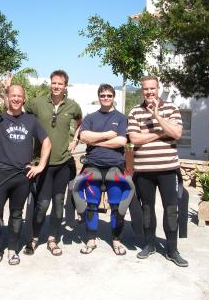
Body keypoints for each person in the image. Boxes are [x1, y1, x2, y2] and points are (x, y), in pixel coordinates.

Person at [0, 85, 51, 266]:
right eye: (13, 95)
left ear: (24, 99)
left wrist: (40, 165)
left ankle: (12, 250)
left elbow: (46, 142)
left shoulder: (31, 120)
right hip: (0, 173)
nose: (16, 99)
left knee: (16, 214)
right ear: (7, 97)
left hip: (22, 176)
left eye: (20, 96)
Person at [18, 70, 82, 257]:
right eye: (53, 83)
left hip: (62, 163)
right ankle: (35, 238)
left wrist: (75, 139)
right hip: (42, 163)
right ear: (50, 84)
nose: (56, 87)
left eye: (60, 84)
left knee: (59, 202)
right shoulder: (37, 103)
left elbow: (80, 122)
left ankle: (53, 239)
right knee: (42, 204)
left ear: (65, 86)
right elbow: (19, 112)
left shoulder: (73, 106)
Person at [127, 75, 188, 267]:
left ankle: (172, 250)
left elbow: (177, 134)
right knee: (147, 209)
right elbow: (134, 139)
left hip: (168, 169)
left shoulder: (171, 108)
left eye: (152, 88)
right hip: (144, 170)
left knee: (171, 210)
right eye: (146, 89)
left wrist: (157, 117)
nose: (149, 92)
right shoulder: (135, 111)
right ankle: (150, 244)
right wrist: (162, 132)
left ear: (158, 88)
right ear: (142, 90)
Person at [73, 84, 134, 255]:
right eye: (102, 95)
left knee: (117, 206)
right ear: (99, 97)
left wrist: (95, 141)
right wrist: (107, 135)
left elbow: (121, 141)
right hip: (93, 165)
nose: (105, 98)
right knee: (91, 205)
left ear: (114, 97)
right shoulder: (91, 117)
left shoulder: (121, 118)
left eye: (108, 95)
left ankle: (116, 241)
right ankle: (91, 240)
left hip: (115, 166)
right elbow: (84, 137)